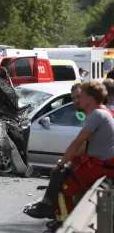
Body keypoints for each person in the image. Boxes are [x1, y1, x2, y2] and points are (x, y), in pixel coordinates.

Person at [24, 80, 114, 232]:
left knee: (63, 191)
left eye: (81, 96)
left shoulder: (97, 114)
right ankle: (49, 209)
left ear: (90, 98)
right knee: (63, 174)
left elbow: (77, 143)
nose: (78, 100)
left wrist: (60, 164)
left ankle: (63, 225)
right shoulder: (103, 112)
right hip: (101, 164)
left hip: (99, 166)